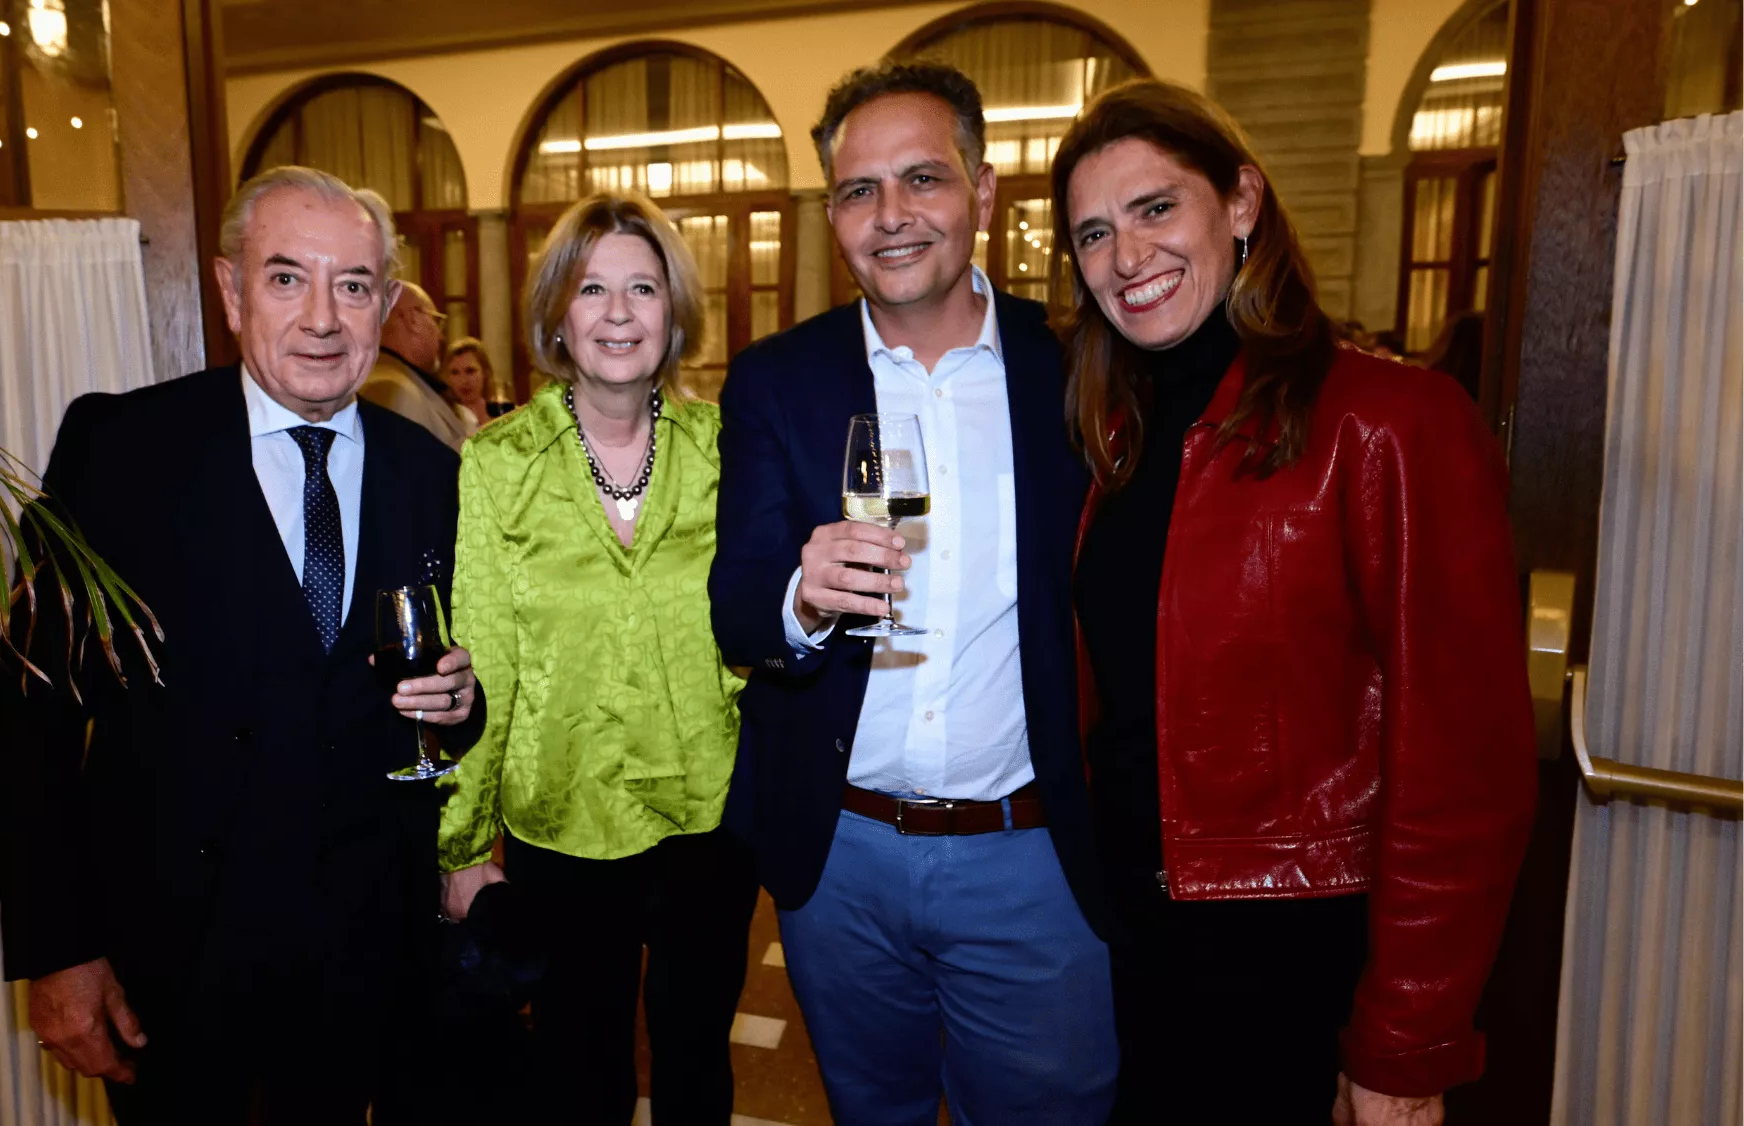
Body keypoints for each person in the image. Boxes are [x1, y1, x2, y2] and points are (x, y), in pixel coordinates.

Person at [1051, 80, 1534, 1126]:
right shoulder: (1115, 443)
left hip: (1299, 956)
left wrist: (1407, 1041)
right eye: (1093, 233)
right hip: (1140, 943)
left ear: (1241, 202)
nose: (1127, 257)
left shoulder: (1389, 423)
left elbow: (1465, 775)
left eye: (1155, 208)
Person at [0, 164, 483, 1123]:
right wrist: (59, 952)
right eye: (287, 277)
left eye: (353, 285)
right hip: (174, 961)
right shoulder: (119, 451)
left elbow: (459, 708)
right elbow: (35, 719)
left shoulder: (435, 471)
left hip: (365, 960)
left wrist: (463, 708)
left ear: (384, 303)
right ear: (229, 290)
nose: (322, 318)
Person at [709, 62, 1114, 1125]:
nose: (890, 217)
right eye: (858, 191)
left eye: (922, 180)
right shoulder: (776, 379)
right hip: (843, 860)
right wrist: (803, 593)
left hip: (1033, 855)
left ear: (983, 191)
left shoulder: (1076, 363)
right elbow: (737, 604)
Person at [437, 191, 755, 1126]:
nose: (619, 314)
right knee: (581, 1072)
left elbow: (762, 627)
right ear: (557, 318)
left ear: (674, 313)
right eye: (592, 290)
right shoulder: (501, 462)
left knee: (698, 1059)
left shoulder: (728, 451)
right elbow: (480, 655)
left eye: (644, 289)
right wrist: (458, 845)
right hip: (561, 823)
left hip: (710, 816)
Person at [363, 279, 474, 449]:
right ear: (413, 320)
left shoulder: (397, 381)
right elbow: (415, 471)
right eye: (436, 321)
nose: (441, 336)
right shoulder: (390, 388)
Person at [440, 336, 511, 434]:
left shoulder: (505, 414)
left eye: (470, 371)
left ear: (485, 373)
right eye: (455, 372)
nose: (463, 381)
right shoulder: (444, 420)